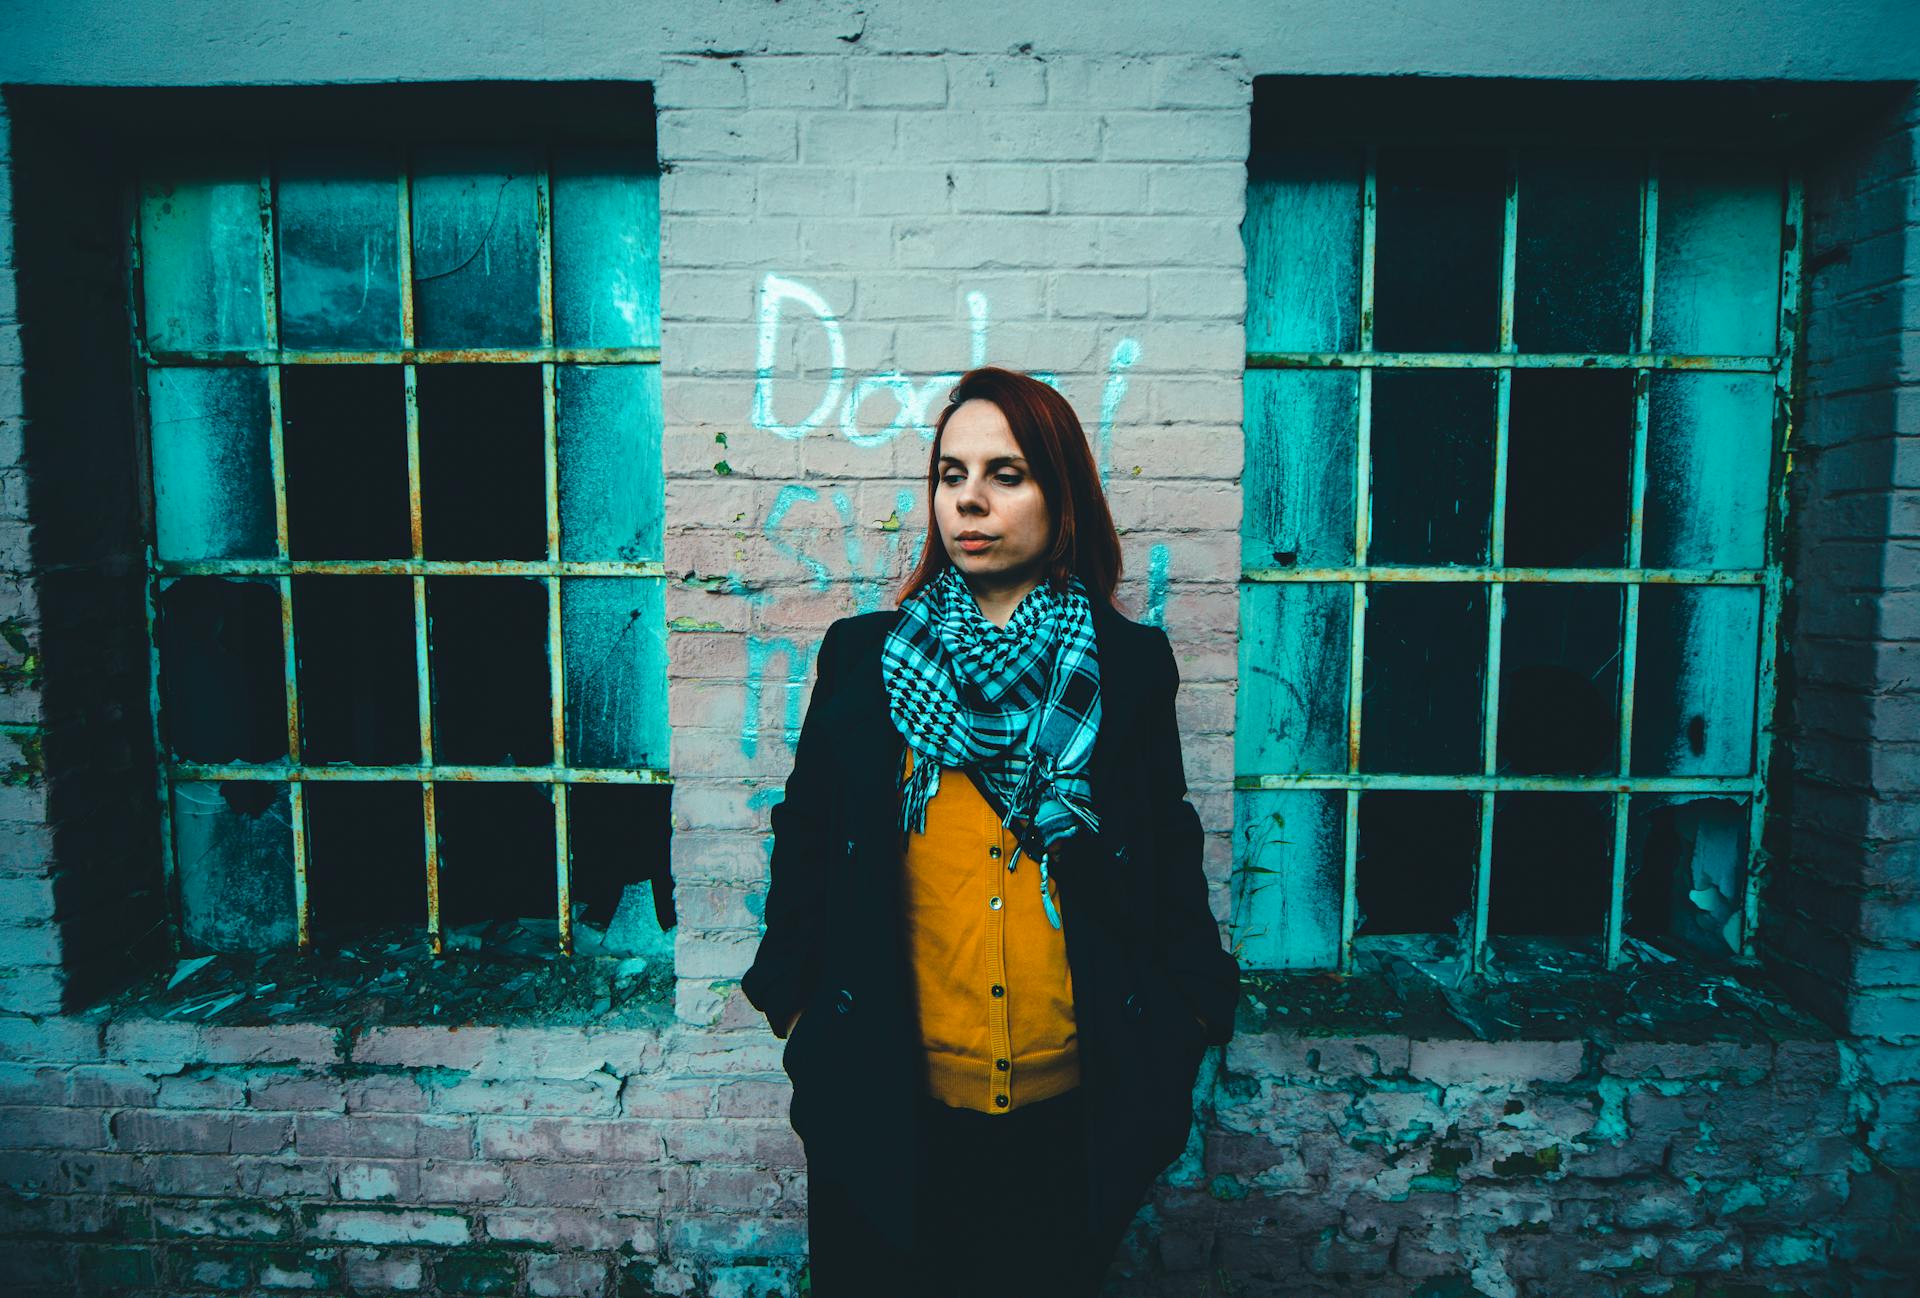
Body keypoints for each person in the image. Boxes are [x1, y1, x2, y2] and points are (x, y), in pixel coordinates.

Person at [741, 365, 1240, 1298]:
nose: (969, 498)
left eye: (1006, 474)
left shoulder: (1128, 669)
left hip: (1069, 1112)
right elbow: (806, 837)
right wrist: (795, 1003)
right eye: (950, 473)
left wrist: (1193, 1012)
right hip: (889, 1101)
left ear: (1063, 496)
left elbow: (1164, 847)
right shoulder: (865, 660)